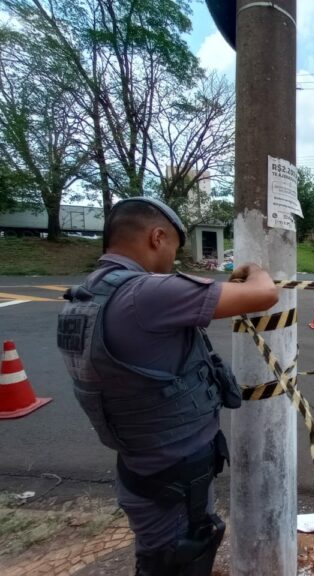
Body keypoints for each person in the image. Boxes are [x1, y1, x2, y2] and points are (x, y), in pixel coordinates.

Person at [57, 197, 278, 575]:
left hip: (142, 466)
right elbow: (264, 294)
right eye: (175, 248)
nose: (173, 261)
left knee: (160, 558)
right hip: (174, 475)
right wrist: (256, 267)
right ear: (157, 237)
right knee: (177, 563)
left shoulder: (86, 296)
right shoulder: (147, 294)